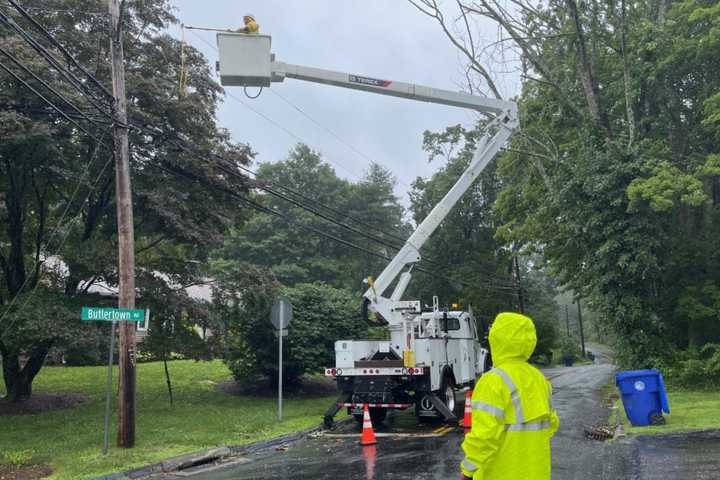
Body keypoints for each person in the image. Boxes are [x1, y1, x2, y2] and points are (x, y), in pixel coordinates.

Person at [460, 312, 559, 480]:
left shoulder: (493, 381)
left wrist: (468, 470)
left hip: (501, 472)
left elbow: (485, 436)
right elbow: (552, 424)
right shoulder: (539, 379)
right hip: (537, 472)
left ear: (496, 340)